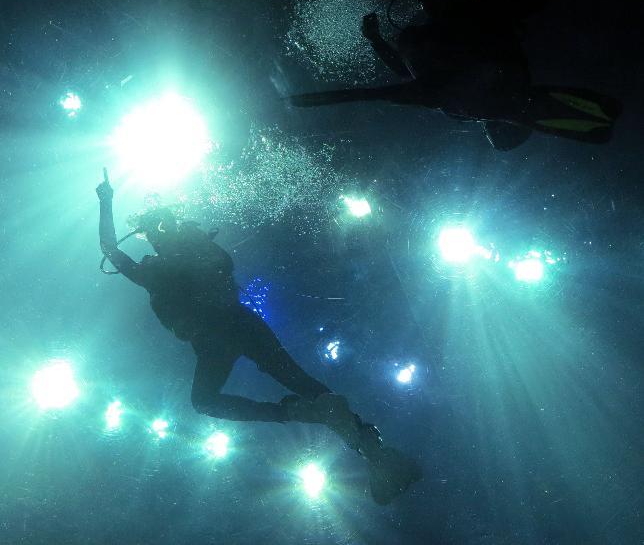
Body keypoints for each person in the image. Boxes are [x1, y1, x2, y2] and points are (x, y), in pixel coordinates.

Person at [96, 169, 421, 504]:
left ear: (155, 232)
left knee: (208, 400)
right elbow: (219, 269)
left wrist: (106, 202)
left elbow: (109, 247)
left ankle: (300, 417)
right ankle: (372, 450)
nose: (152, 237)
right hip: (241, 326)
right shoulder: (194, 248)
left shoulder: (157, 269)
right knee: (301, 382)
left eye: (152, 231)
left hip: (213, 340)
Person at [289, 0, 621, 150]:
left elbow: (402, 82)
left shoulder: (465, 92)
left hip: (474, 80)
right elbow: (401, 84)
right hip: (480, 77)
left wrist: (374, 41)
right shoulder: (481, 21)